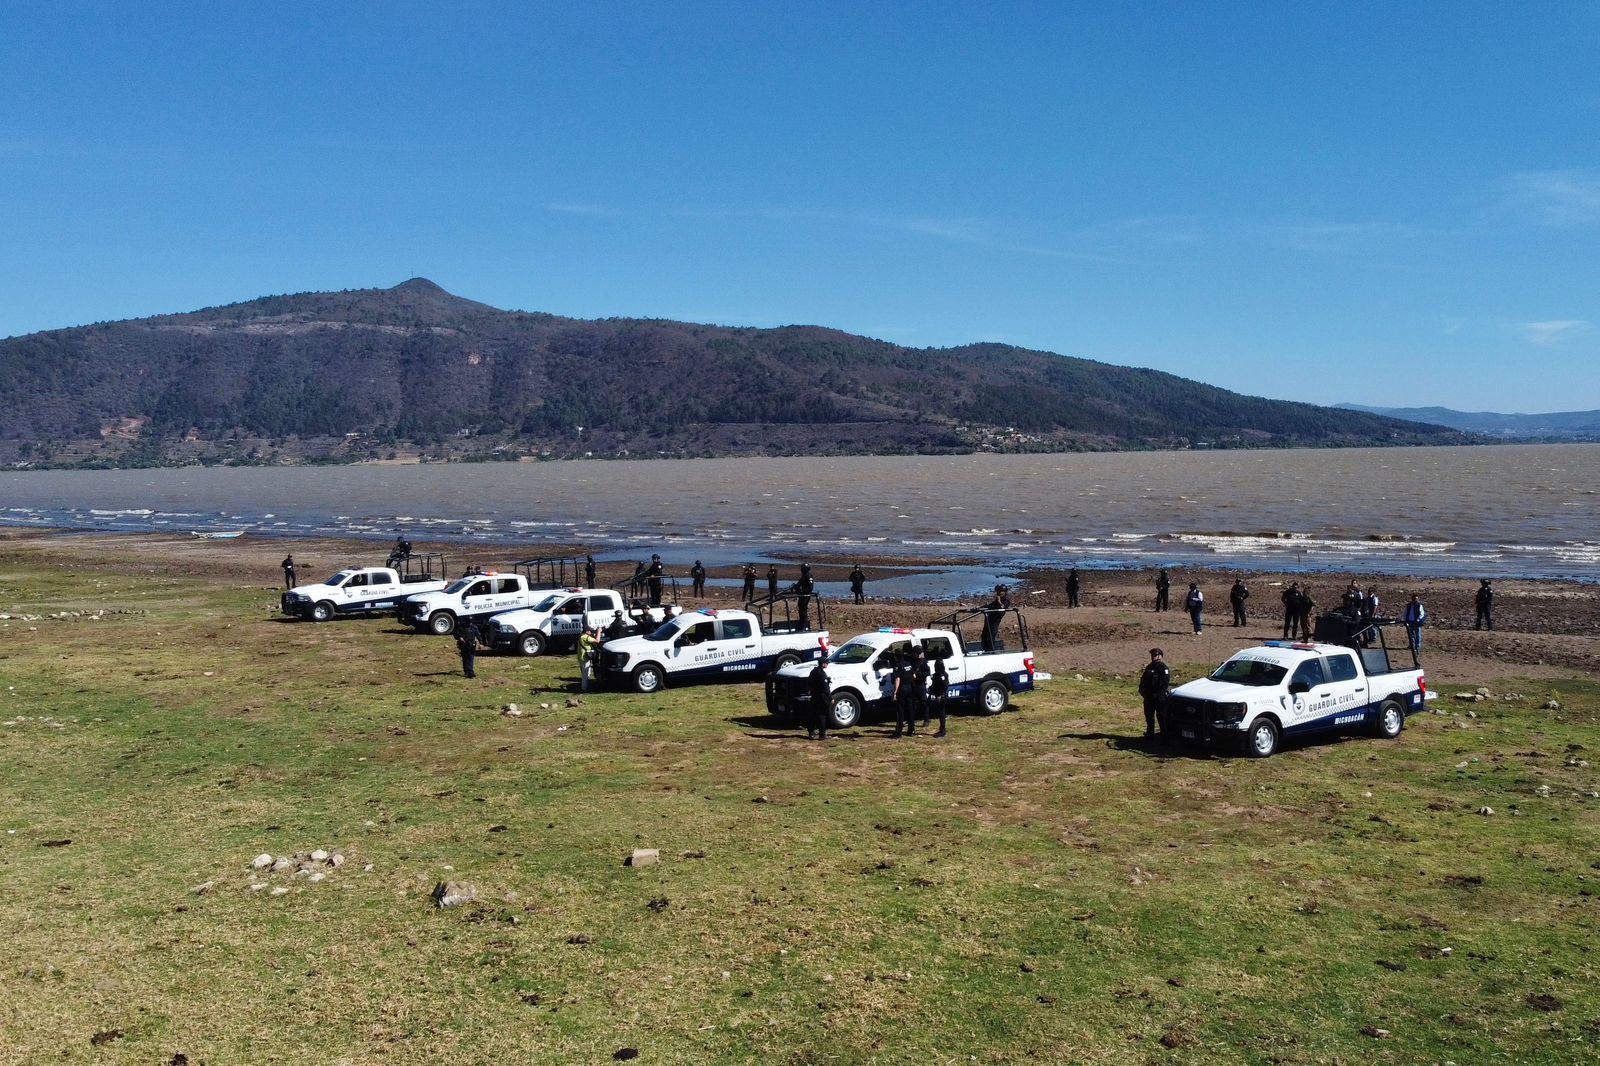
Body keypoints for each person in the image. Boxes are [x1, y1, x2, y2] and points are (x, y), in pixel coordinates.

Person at [1138, 648, 1170, 741]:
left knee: (1161, 718)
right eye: (1152, 655)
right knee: (1149, 717)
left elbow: (1165, 683)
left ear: (1161, 656)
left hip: (1160, 698)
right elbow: (1143, 679)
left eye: (1155, 655)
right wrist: (1141, 689)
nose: (1153, 657)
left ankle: (1164, 737)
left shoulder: (1163, 668)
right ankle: (1150, 735)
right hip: (1149, 697)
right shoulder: (1149, 667)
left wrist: (1159, 694)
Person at [891, 649, 919, 737]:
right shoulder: (909, 664)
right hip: (910, 688)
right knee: (910, 710)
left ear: (896, 656)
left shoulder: (897, 666)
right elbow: (914, 676)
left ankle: (898, 732)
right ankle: (911, 731)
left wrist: (895, 692)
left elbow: (897, 679)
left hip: (902, 689)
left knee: (900, 711)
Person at [807, 656, 831, 741]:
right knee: (822, 716)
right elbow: (825, 688)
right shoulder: (822, 674)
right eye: (827, 663)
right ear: (823, 664)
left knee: (813, 715)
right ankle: (822, 734)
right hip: (821, 697)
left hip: (814, 696)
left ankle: (811, 732)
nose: (827, 664)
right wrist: (830, 698)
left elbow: (809, 683)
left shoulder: (813, 672)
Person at [981, 585, 1011, 652]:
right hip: (988, 621)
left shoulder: (1006, 601)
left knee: (991, 638)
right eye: (998, 591)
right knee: (984, 637)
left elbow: (1002, 608)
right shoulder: (994, 602)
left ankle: (991, 651)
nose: (999, 593)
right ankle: (986, 651)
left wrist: (999, 601)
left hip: (994, 622)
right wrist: (980, 608)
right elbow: (989, 606)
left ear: (1005, 592)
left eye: (1001, 591)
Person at [928, 656, 950, 737]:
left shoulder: (941, 675)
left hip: (941, 695)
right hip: (940, 694)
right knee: (941, 712)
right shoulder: (942, 674)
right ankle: (942, 728)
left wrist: (940, 694)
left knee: (941, 713)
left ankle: (943, 730)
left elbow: (945, 685)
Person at [792, 563, 815, 631]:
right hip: (802, 595)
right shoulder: (804, 576)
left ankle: (804, 626)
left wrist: (802, 591)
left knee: (803, 610)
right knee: (801, 609)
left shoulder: (808, 576)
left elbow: (810, 588)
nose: (801, 570)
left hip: (805, 595)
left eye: (802, 569)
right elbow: (799, 584)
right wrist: (796, 587)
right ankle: (802, 624)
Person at [577, 625, 599, 692]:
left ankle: (586, 686)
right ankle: (584, 689)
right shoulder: (585, 637)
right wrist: (599, 632)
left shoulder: (581, 636)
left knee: (586, 672)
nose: (591, 632)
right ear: (587, 631)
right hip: (584, 658)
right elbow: (597, 641)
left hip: (581, 657)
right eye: (590, 631)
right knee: (585, 674)